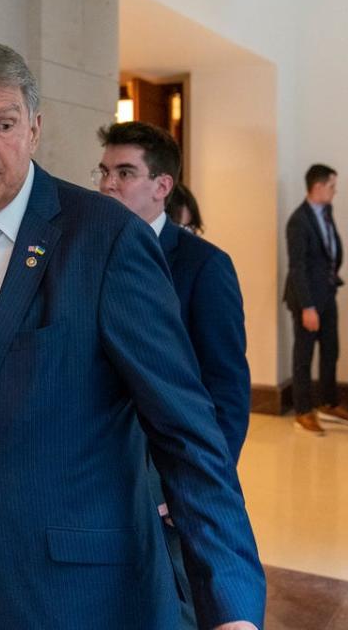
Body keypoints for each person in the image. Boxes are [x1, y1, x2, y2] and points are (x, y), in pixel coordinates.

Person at [0, 40, 264, 630]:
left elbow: (187, 433)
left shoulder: (105, 238)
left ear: (34, 130)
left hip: (73, 591)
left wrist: (232, 606)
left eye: (4, 124)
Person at [96, 121, 251, 629]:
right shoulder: (88, 252)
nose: (107, 185)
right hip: (99, 477)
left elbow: (227, 392)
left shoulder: (204, 267)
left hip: (169, 478)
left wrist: (192, 488)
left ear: (162, 187)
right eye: (104, 172)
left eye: (124, 172)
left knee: (176, 607)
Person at [284, 164, 348, 434]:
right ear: (318, 187)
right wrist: (308, 307)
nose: (335, 191)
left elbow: (328, 249)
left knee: (331, 350)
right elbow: (297, 267)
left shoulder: (326, 211)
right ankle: (303, 411)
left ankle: (328, 403)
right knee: (304, 355)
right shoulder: (298, 221)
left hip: (327, 292)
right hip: (306, 299)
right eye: (332, 186)